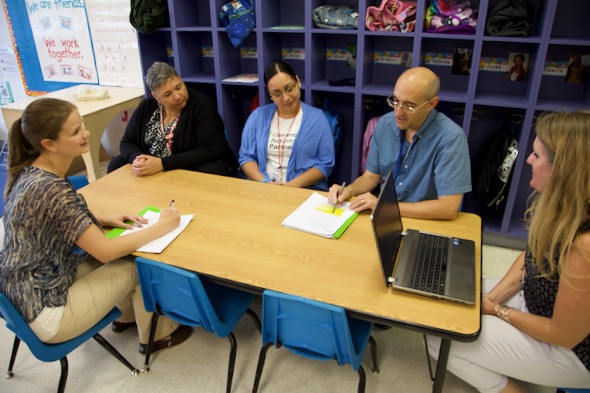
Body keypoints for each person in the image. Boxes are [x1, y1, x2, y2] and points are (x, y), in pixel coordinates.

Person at [0, 98, 192, 354]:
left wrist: (100, 219)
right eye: (76, 131)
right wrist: (161, 226)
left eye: (82, 126)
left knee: (116, 248)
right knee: (138, 264)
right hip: (46, 311)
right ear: (49, 144)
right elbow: (106, 251)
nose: (86, 133)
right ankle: (156, 336)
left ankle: (125, 318)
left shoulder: (30, 172)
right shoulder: (52, 188)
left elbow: (52, 219)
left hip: (23, 293)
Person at [428, 111, 590, 392]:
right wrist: (492, 299)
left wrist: (498, 311)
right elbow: (530, 258)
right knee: (450, 302)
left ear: (563, 169)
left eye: (537, 156)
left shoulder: (585, 245)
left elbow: (564, 334)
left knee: (440, 338)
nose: (527, 159)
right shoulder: (563, 208)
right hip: (537, 302)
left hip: (571, 351)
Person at [328, 67, 471, 220]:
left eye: (409, 106)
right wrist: (349, 190)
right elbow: (371, 177)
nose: (398, 112)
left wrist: (384, 206)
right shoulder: (385, 124)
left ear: (431, 104)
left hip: (427, 221)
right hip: (386, 216)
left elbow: (447, 208)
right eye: (395, 101)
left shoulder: (451, 138)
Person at [107, 61, 238, 177]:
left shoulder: (202, 105)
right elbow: (127, 142)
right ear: (156, 97)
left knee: (207, 171)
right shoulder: (146, 107)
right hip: (155, 166)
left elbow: (210, 151)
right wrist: (139, 160)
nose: (177, 96)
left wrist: (162, 164)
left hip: (191, 165)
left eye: (179, 87)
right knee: (117, 163)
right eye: (168, 94)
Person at [239, 61, 335, 191]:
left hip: (303, 189)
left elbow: (325, 164)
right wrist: (264, 182)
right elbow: (246, 157)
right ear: (270, 95)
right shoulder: (258, 116)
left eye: (290, 89)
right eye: (277, 94)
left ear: (298, 81)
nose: (286, 98)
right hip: (263, 188)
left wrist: (292, 186)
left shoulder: (317, 119)